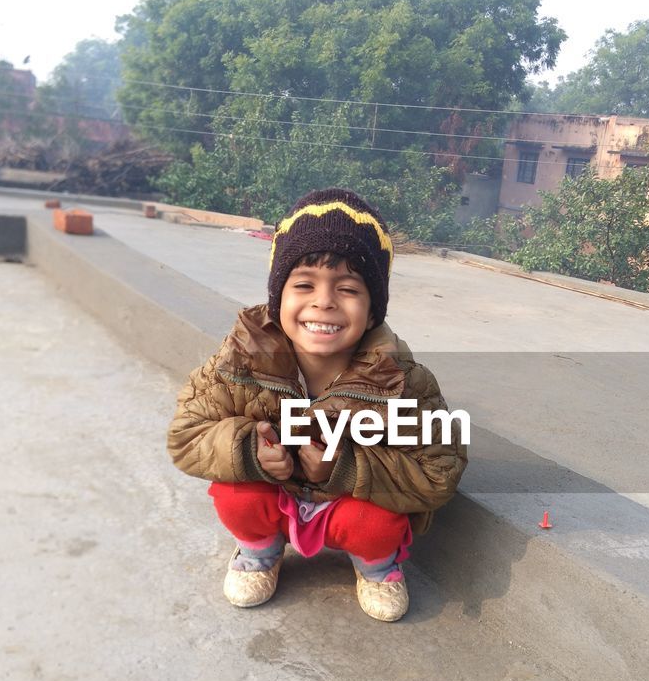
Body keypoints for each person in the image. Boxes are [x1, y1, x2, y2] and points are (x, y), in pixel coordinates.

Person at [167, 188, 467, 622]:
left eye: (348, 288)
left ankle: (377, 567)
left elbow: (439, 469)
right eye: (304, 284)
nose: (324, 300)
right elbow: (186, 436)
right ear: (278, 295)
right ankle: (258, 552)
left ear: (372, 309)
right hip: (277, 497)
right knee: (236, 496)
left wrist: (343, 469)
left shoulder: (401, 380)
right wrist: (250, 452)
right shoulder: (239, 361)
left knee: (377, 524)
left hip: (347, 505)